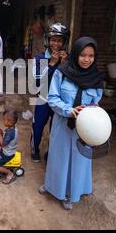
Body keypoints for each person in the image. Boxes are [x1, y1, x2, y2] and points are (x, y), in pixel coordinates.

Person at [39, 37, 104, 210]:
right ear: (75, 54)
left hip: (85, 129)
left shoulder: (97, 79)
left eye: (91, 56)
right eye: (82, 55)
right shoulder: (62, 72)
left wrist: (93, 110)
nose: (86, 59)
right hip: (62, 123)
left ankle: (70, 193)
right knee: (57, 156)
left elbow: (96, 101)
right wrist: (68, 110)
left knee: (79, 160)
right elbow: (52, 98)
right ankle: (52, 186)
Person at [30, 23, 69, 162]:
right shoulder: (39, 58)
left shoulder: (67, 59)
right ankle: (35, 150)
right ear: (48, 40)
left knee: (56, 130)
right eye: (53, 40)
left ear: (64, 42)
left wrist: (64, 65)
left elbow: (69, 82)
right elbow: (37, 82)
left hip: (59, 101)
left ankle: (50, 153)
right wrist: (52, 64)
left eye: (59, 40)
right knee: (38, 126)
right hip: (42, 98)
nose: (56, 44)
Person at [0, 110, 19, 184]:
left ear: (10, 122)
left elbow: (2, 144)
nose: (3, 121)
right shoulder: (12, 128)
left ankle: (10, 173)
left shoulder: (10, 134)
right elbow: (4, 138)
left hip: (7, 154)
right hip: (7, 148)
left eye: (4, 120)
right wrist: (0, 131)